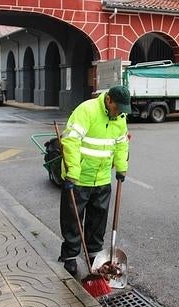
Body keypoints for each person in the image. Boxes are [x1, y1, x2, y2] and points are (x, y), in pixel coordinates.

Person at [58, 85, 131, 276]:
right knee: (73, 219)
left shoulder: (120, 117)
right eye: (118, 108)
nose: (120, 113)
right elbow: (71, 140)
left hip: (102, 178)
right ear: (109, 100)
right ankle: (70, 256)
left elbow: (122, 143)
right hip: (79, 177)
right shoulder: (86, 110)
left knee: (98, 219)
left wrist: (121, 167)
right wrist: (73, 171)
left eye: (124, 110)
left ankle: (93, 254)